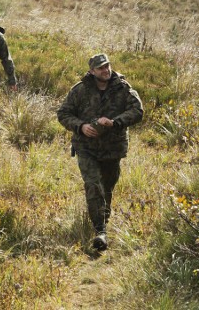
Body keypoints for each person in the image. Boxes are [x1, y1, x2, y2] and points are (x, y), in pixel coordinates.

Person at [57, 53, 143, 251]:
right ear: (92, 71)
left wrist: (115, 122)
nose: (106, 70)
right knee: (93, 185)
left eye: (107, 66)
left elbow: (138, 111)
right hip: (86, 148)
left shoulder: (123, 88)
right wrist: (81, 126)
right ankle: (100, 231)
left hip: (113, 149)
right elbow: (63, 114)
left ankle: (102, 224)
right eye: (101, 68)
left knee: (107, 188)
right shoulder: (80, 90)